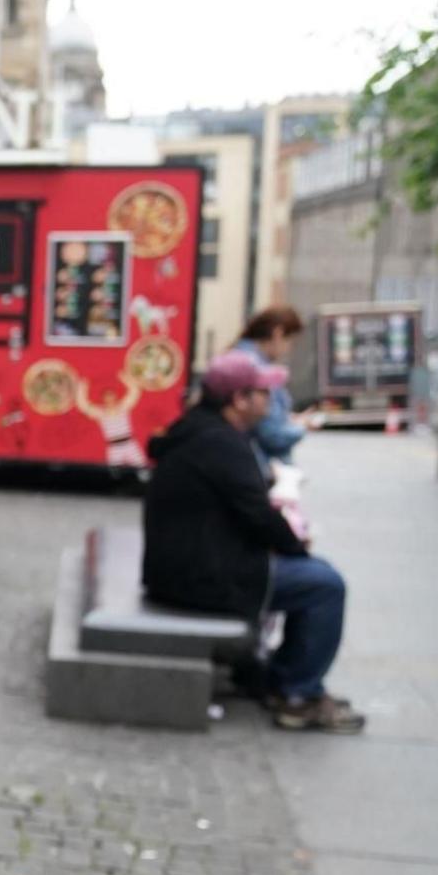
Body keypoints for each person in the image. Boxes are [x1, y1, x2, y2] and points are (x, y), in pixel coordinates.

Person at [143, 353, 365, 732]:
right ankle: (297, 694)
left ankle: (281, 678)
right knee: (325, 585)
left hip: (181, 566)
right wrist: (295, 548)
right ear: (239, 399)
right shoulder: (221, 443)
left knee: (317, 573)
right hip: (200, 576)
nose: (271, 400)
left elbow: (248, 508)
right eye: (264, 392)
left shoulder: (202, 431)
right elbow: (259, 514)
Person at [229, 306, 312, 469]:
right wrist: (301, 426)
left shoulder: (240, 357)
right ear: (278, 333)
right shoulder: (255, 368)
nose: (288, 349)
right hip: (257, 465)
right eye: (290, 341)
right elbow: (272, 433)